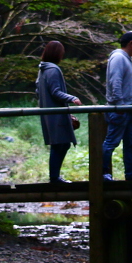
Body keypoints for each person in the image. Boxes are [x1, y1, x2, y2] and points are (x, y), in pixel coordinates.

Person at [102, 30, 132, 181]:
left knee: (131, 141)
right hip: (122, 109)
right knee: (111, 141)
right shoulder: (118, 58)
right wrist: (119, 104)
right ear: (131, 43)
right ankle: (102, 172)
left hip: (130, 109)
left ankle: (131, 172)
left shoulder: (127, 59)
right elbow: (116, 82)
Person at [35, 40, 82, 184]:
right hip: (55, 114)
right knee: (61, 143)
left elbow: (38, 91)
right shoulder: (53, 69)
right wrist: (72, 98)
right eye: (61, 52)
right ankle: (54, 178)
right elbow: (55, 92)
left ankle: (54, 177)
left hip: (49, 112)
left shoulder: (42, 69)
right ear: (57, 53)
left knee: (60, 144)